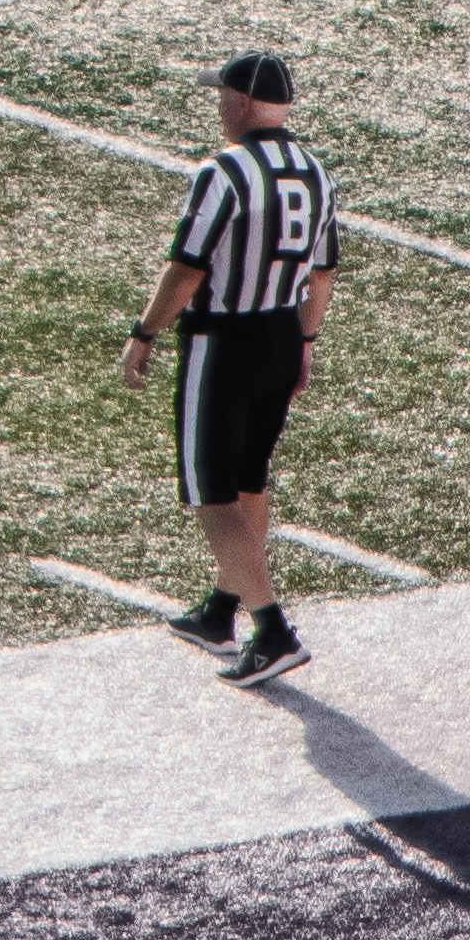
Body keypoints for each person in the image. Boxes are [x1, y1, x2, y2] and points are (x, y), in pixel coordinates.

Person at [125, 52, 347, 686]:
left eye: (223, 95)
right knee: (250, 477)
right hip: (281, 334)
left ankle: (273, 630)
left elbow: (188, 267)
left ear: (241, 102)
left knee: (214, 492)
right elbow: (324, 272)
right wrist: (304, 340)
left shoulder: (223, 171)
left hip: (223, 342)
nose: (219, 105)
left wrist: (144, 333)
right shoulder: (314, 171)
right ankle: (223, 608)